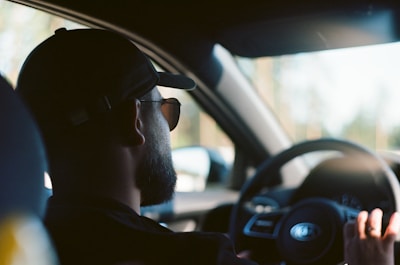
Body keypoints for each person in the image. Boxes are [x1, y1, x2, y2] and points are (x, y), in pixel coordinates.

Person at [15, 28, 399, 265]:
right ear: (134, 121)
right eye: (164, 109)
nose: (169, 127)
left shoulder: (24, 241)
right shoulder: (193, 258)